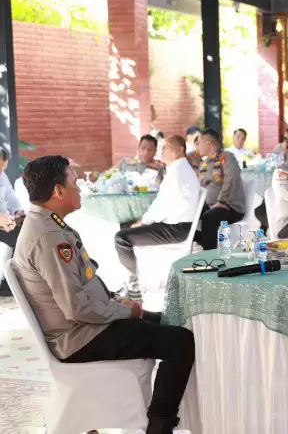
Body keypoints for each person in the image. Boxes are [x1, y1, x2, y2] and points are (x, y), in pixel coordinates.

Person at [13, 155, 195, 434]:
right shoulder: (48, 236)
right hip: (79, 337)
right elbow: (77, 308)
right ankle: (159, 427)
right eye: (74, 182)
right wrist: (126, 311)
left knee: (167, 320)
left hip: (82, 328)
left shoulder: (48, 225)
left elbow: (82, 285)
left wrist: (116, 301)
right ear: (58, 191)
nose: (79, 188)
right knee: (180, 342)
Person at [114, 136, 200, 300]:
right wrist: (142, 222)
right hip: (177, 225)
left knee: (121, 238)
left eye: (167, 146)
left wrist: (143, 222)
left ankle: (133, 288)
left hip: (175, 228)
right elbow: (162, 204)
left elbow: (162, 207)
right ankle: (133, 281)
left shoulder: (178, 172)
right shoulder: (179, 169)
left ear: (180, 149)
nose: (162, 150)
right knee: (125, 226)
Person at [197, 129, 246, 250]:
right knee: (188, 217)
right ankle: (200, 246)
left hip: (229, 206)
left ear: (208, 143)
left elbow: (232, 178)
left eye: (199, 142)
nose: (197, 145)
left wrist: (221, 201)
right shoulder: (205, 163)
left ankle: (209, 256)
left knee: (209, 218)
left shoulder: (226, 157)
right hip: (209, 206)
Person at [0, 149, 24, 248]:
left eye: (3, 167)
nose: (1, 171)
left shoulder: (2, 176)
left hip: (6, 223)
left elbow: (10, 197)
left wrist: (17, 212)